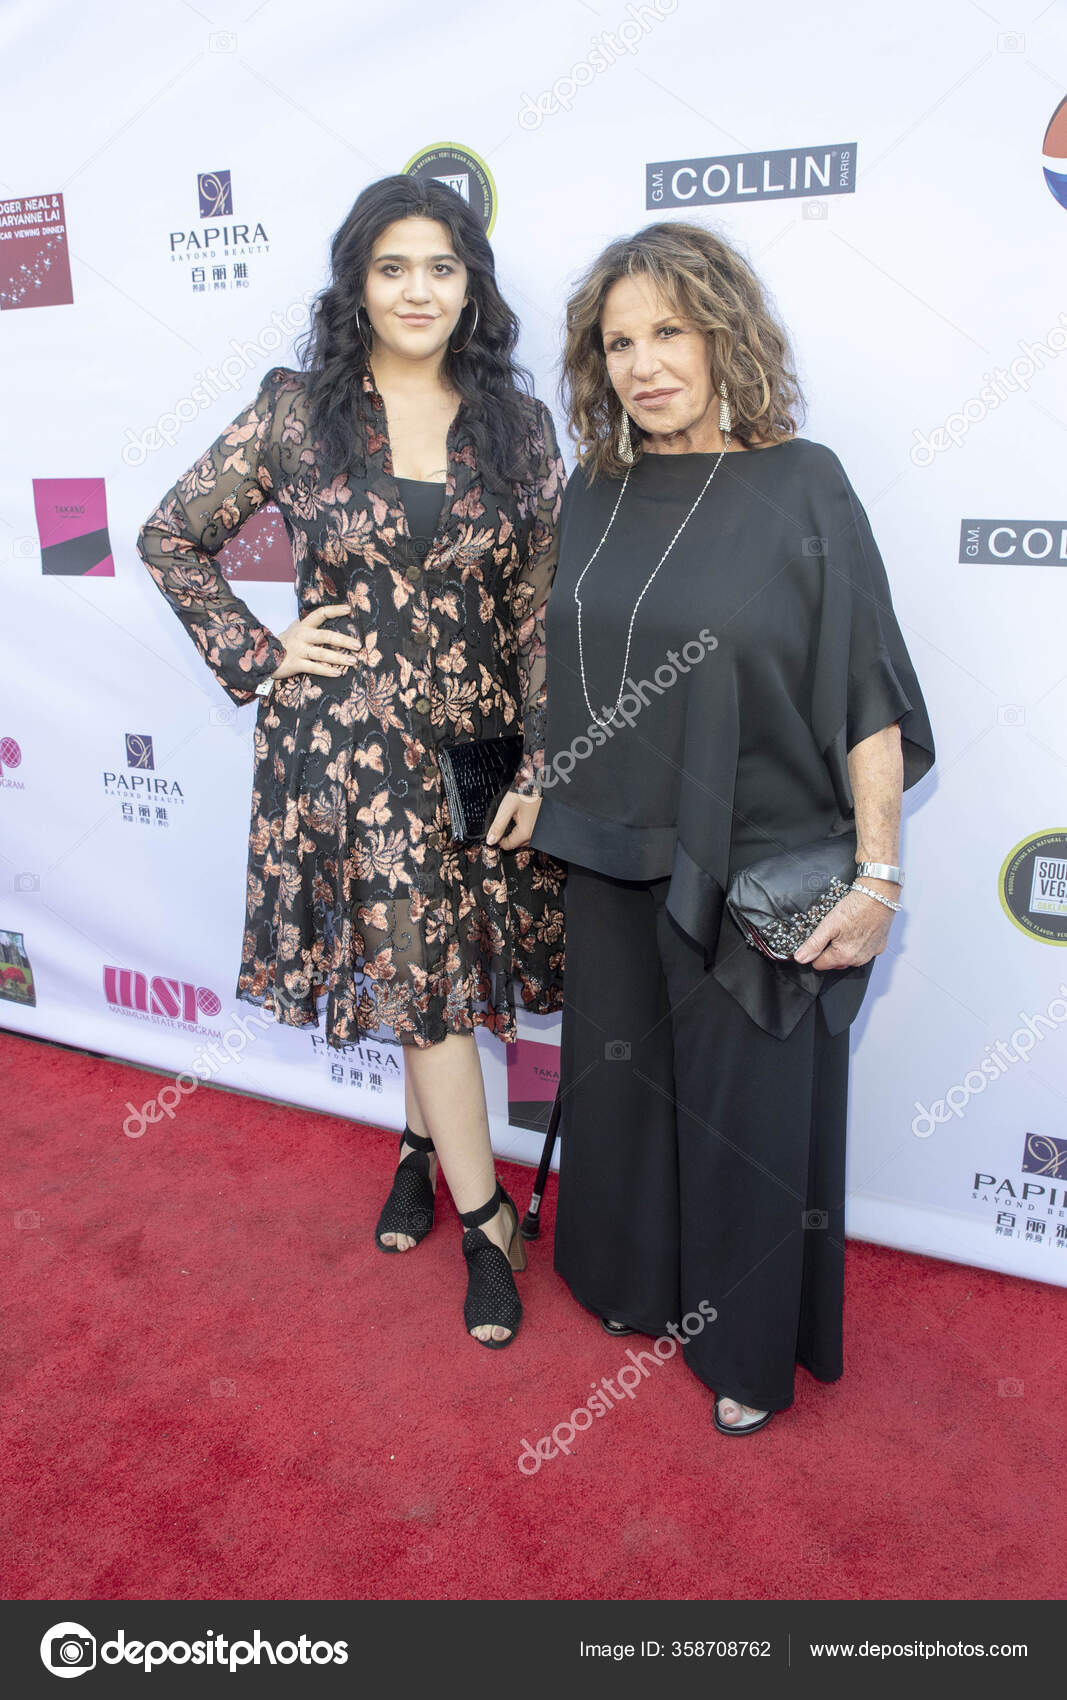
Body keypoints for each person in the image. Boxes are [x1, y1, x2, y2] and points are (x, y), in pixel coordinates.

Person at [136, 175, 566, 1350]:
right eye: (392, 267)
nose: (416, 288)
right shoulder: (297, 412)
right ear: (357, 284)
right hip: (349, 743)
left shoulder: (517, 429)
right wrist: (261, 651)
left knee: (434, 958)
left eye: (440, 265)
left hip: (481, 738)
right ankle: (489, 1226)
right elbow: (169, 535)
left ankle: (416, 1153)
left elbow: (535, 606)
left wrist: (542, 756)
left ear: (469, 281)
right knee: (415, 954)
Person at [527, 221, 935, 1431]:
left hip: (757, 857)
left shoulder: (801, 480)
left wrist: (877, 876)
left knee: (744, 1114)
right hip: (608, 846)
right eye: (618, 342)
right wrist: (537, 776)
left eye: (670, 332)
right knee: (620, 1086)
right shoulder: (590, 487)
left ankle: (745, 1352)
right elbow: (578, 658)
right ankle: (632, 1284)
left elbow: (861, 687)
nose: (644, 364)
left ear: (722, 337)